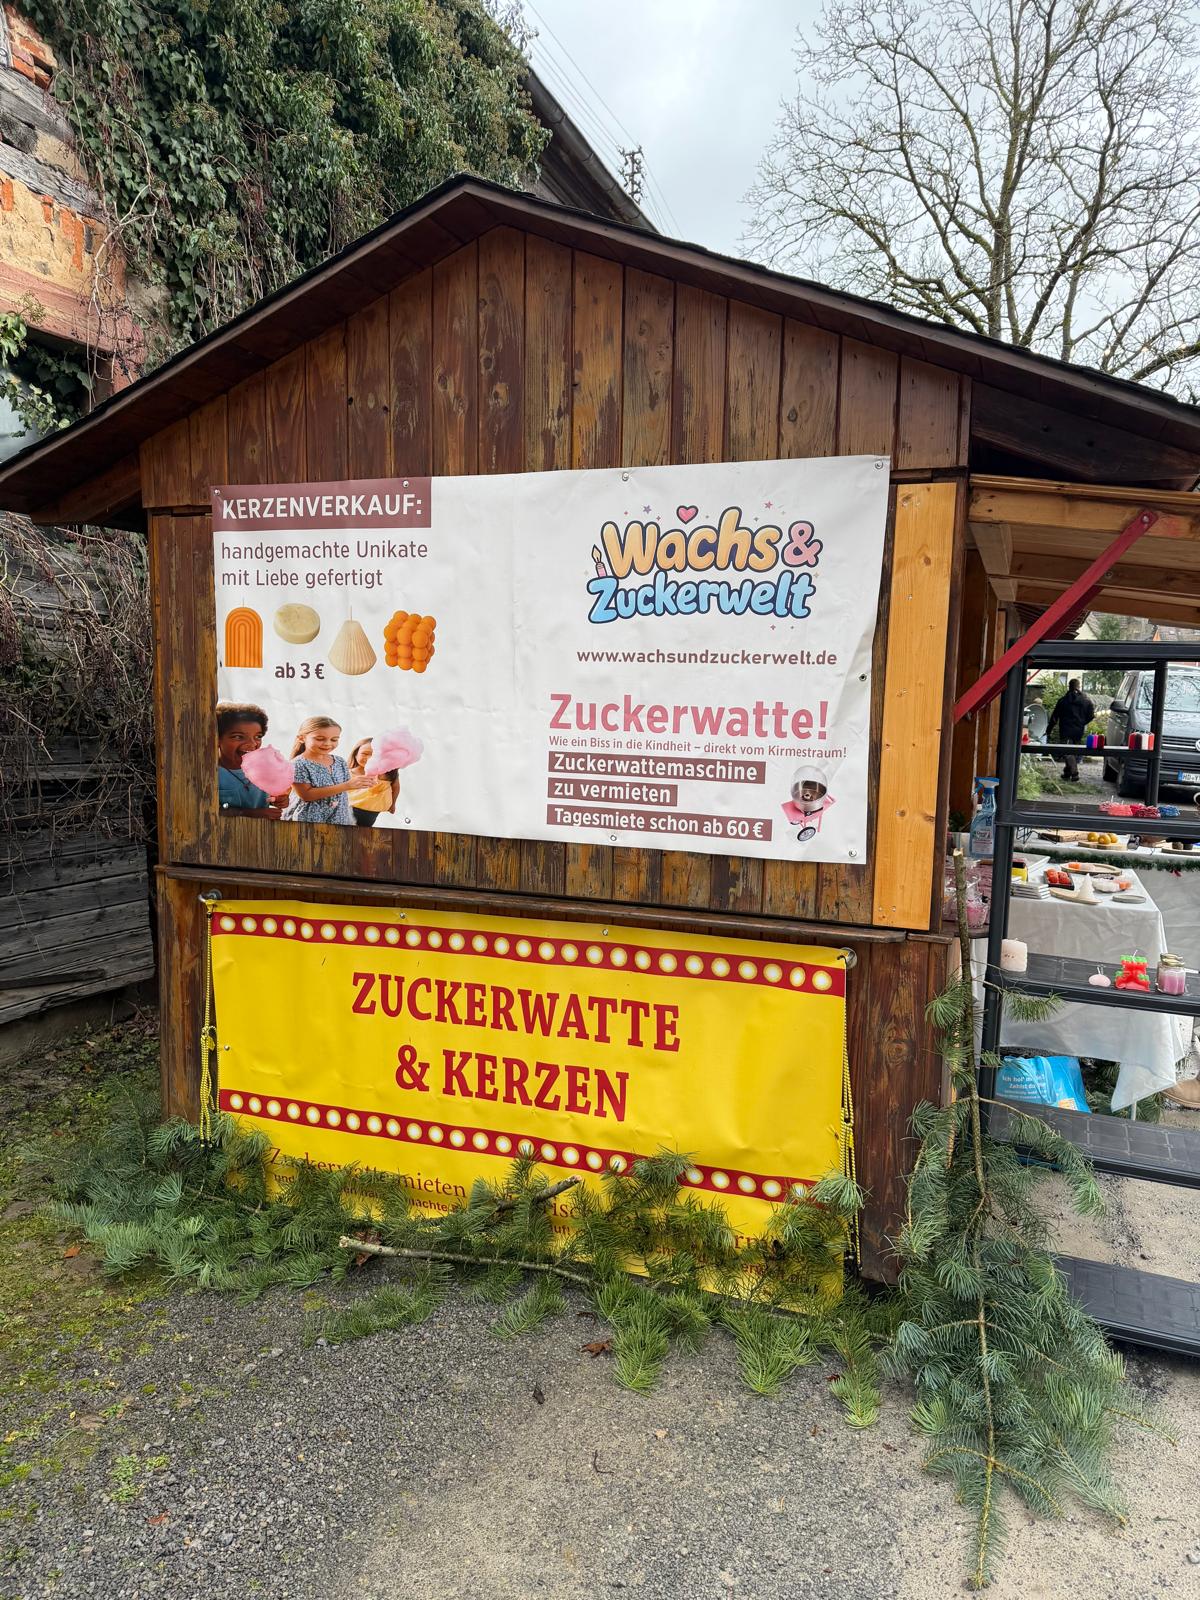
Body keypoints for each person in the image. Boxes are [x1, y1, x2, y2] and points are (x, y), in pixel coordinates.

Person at [216, 702, 287, 819]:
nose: (253, 744)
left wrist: (278, 800)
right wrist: (248, 813)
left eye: (258, 736)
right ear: (217, 739)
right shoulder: (210, 774)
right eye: (238, 737)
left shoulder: (266, 769)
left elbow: (269, 798)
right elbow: (206, 810)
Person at [282, 716, 356, 824]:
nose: (328, 743)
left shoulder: (340, 762)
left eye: (334, 739)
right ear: (302, 738)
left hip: (339, 819)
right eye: (320, 739)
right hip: (308, 821)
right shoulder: (297, 764)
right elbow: (307, 795)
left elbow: (343, 791)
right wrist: (347, 785)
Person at [1045, 679, 1095, 780]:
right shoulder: (1086, 701)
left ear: (1069, 686)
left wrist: (1048, 730)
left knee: (1067, 751)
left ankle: (1074, 773)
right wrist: (1082, 722)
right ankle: (1067, 773)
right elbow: (1091, 715)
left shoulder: (1063, 701)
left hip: (1065, 729)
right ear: (1079, 686)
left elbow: (1054, 717)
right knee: (1072, 751)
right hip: (1078, 730)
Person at [346, 737, 400, 827]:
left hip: (372, 811)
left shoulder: (387, 773)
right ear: (356, 755)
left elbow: (396, 788)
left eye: (376, 755)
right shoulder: (348, 773)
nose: (370, 758)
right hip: (351, 808)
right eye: (365, 753)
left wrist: (393, 804)